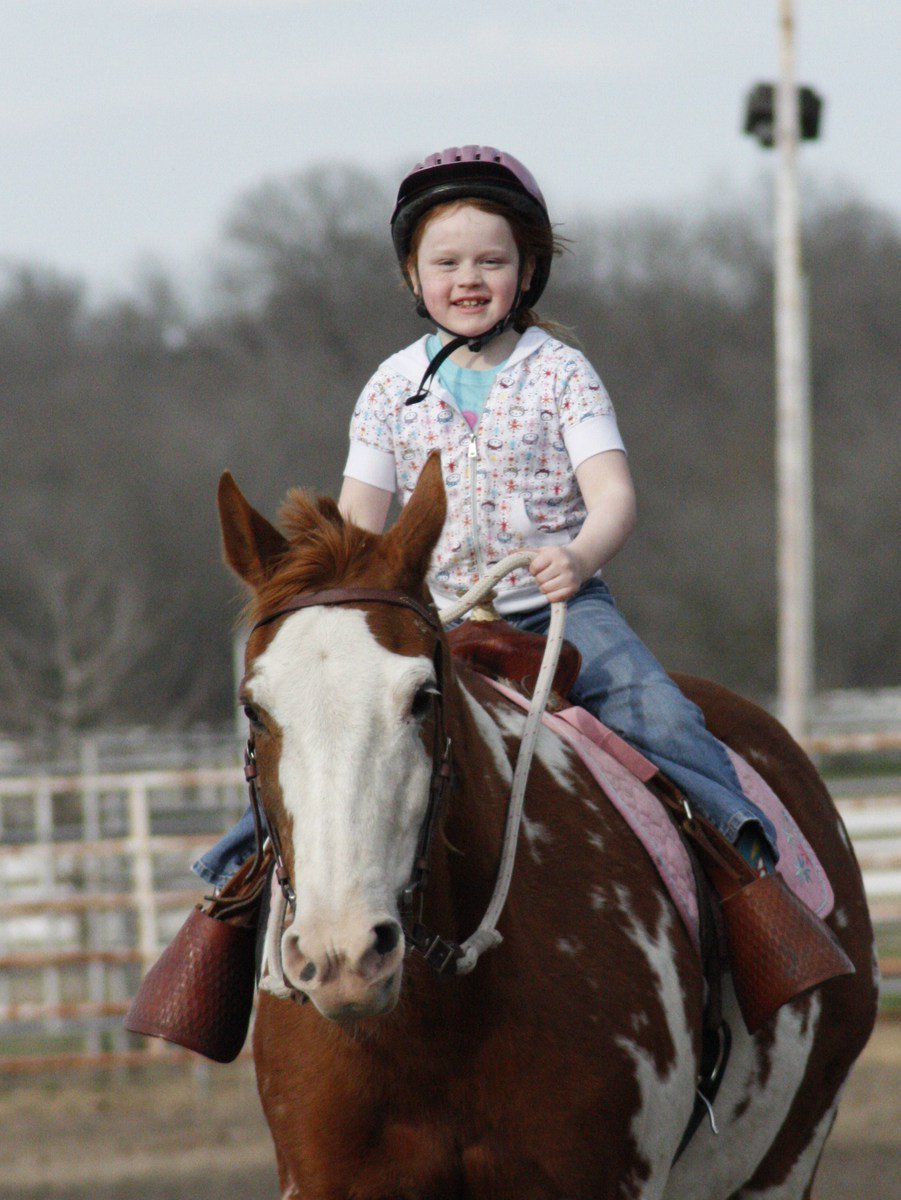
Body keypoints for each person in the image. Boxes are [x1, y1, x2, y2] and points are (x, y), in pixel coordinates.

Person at [194, 144, 777, 891]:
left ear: (526, 272)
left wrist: (579, 555)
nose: (468, 279)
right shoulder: (388, 389)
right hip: (432, 620)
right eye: (446, 263)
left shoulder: (561, 372)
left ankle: (747, 860)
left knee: (656, 715)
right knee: (320, 737)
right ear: (412, 274)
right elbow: (355, 528)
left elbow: (614, 498)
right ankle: (241, 872)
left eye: (490, 262)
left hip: (558, 611)